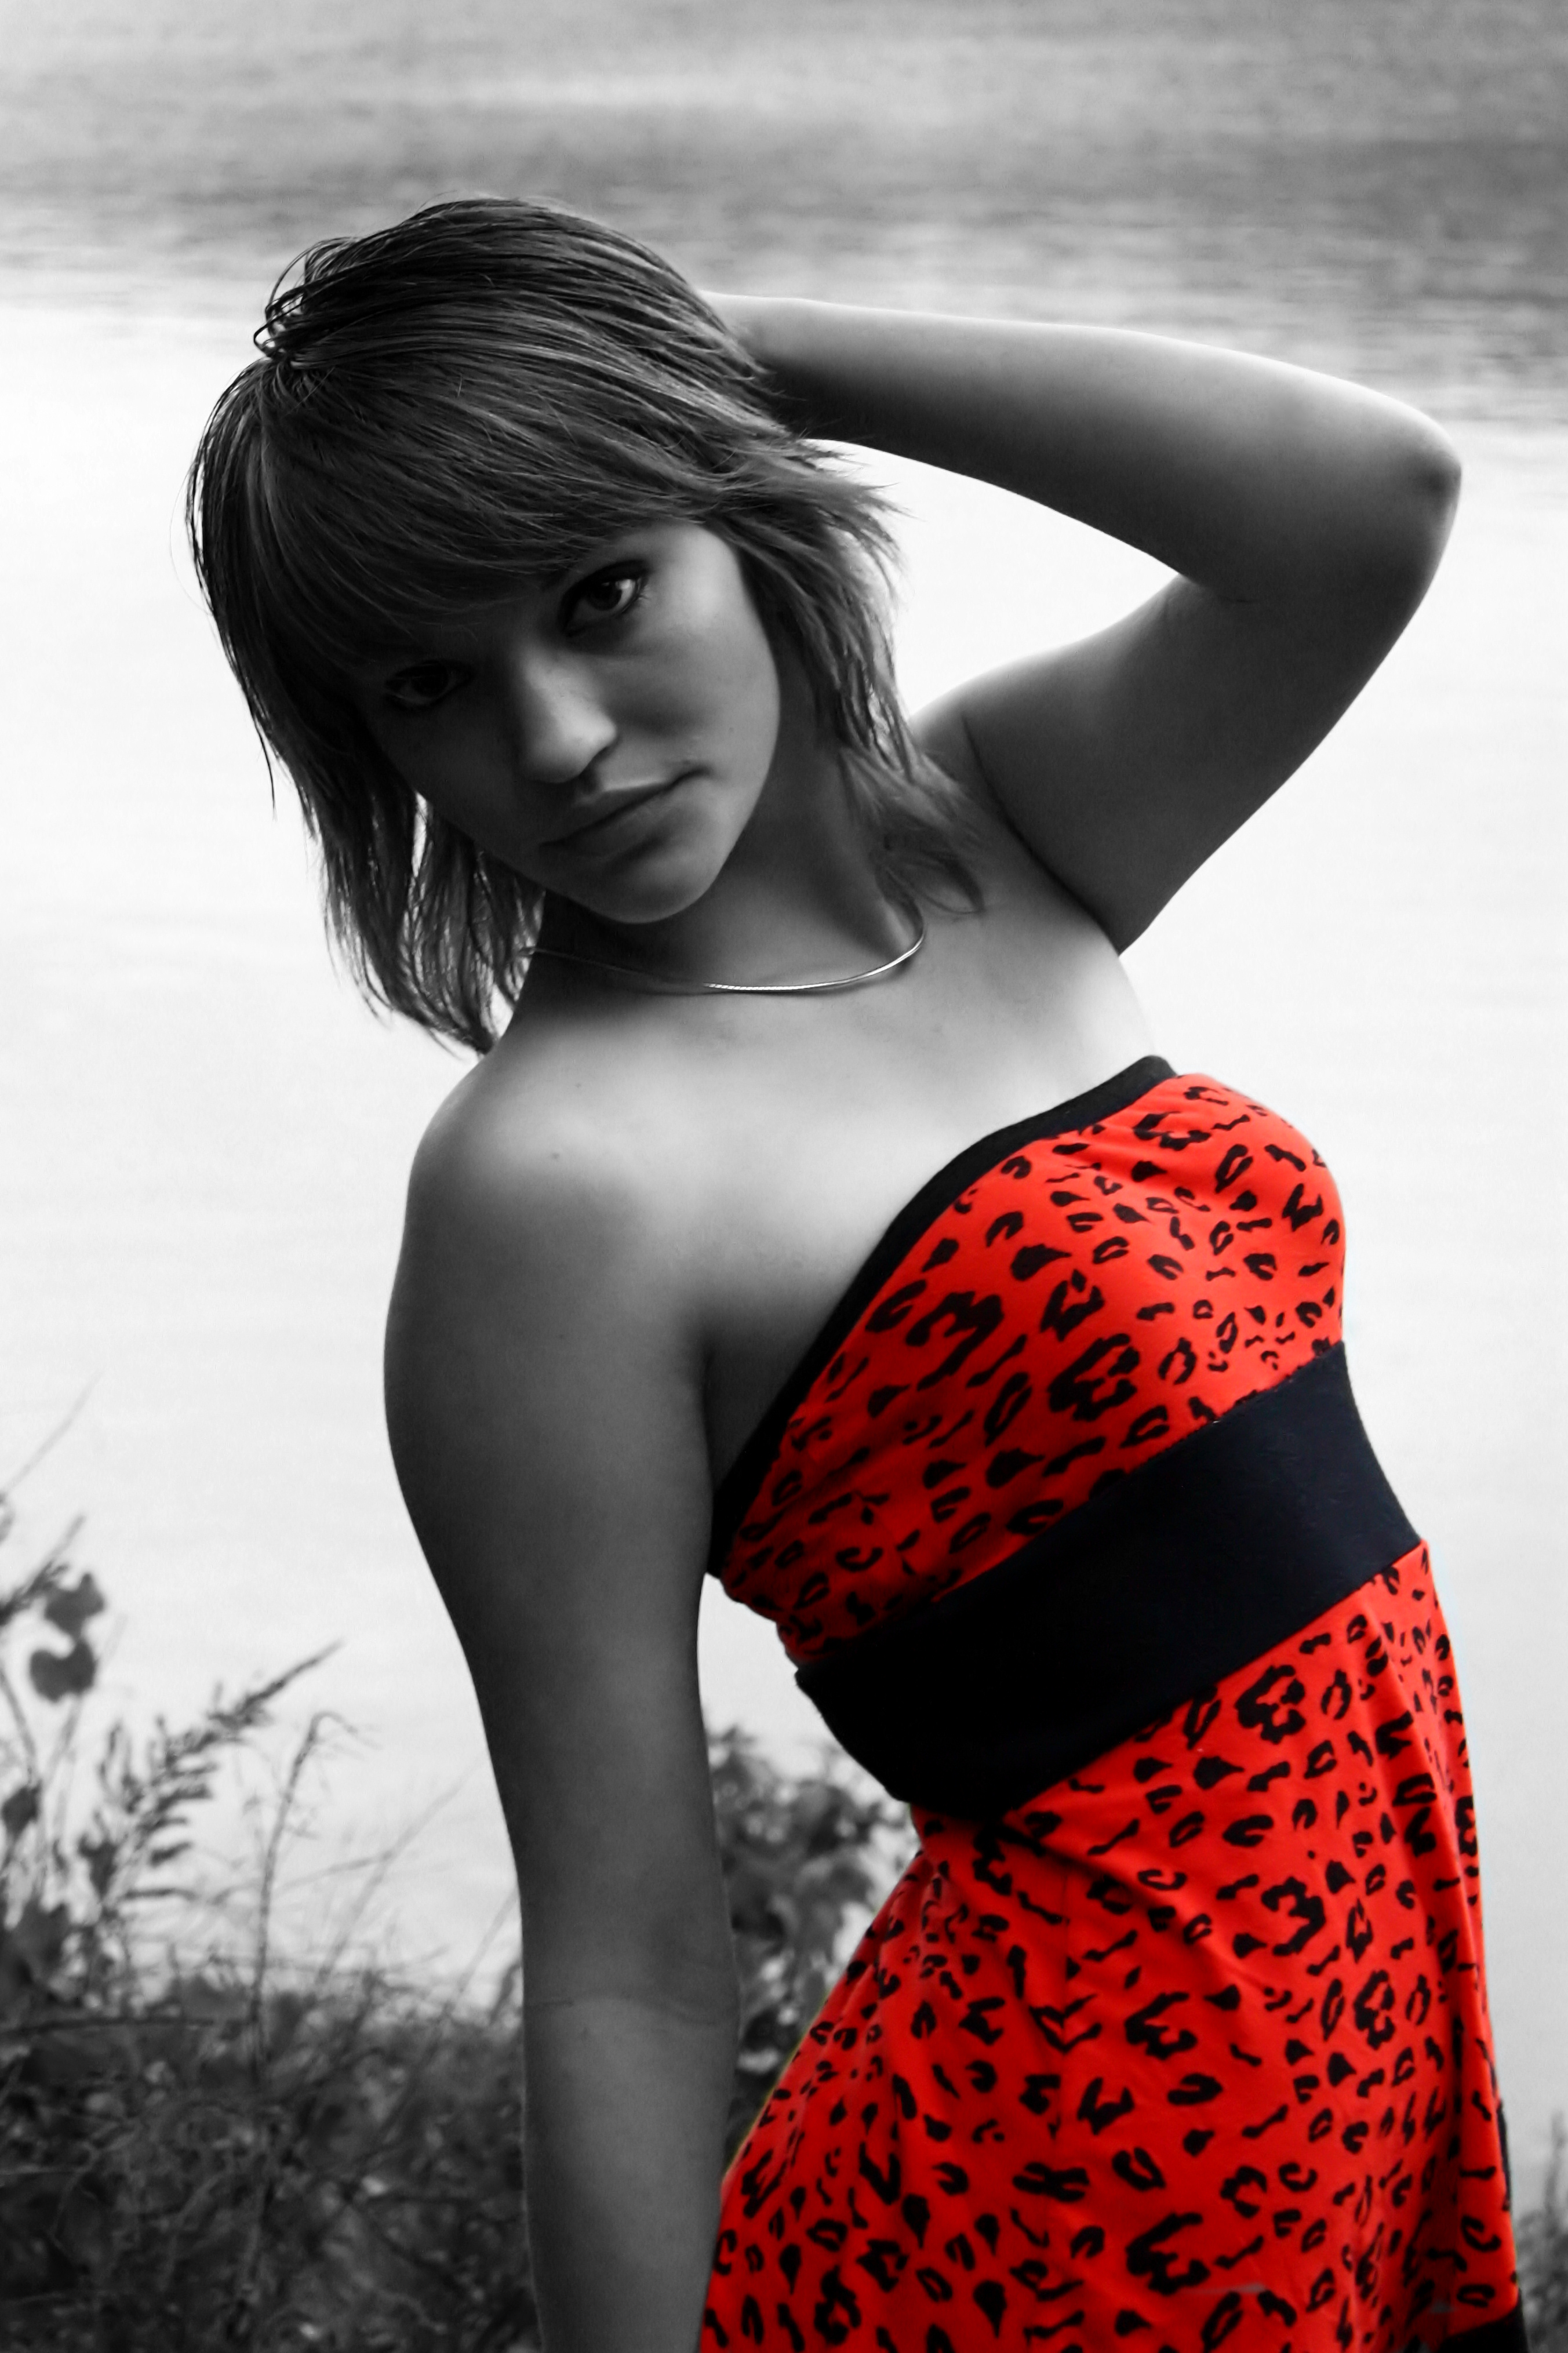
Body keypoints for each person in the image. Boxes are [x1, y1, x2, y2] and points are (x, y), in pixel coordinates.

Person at [187, 197, 1524, 2352]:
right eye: (436, 686)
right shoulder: (557, 1182)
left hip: (1360, 2077)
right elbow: (624, 1952)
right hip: (1065, 2191)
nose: (554, 740)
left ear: (745, 509)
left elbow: (1368, 504)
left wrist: (734, 349)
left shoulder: (1005, 827)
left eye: (603, 589)